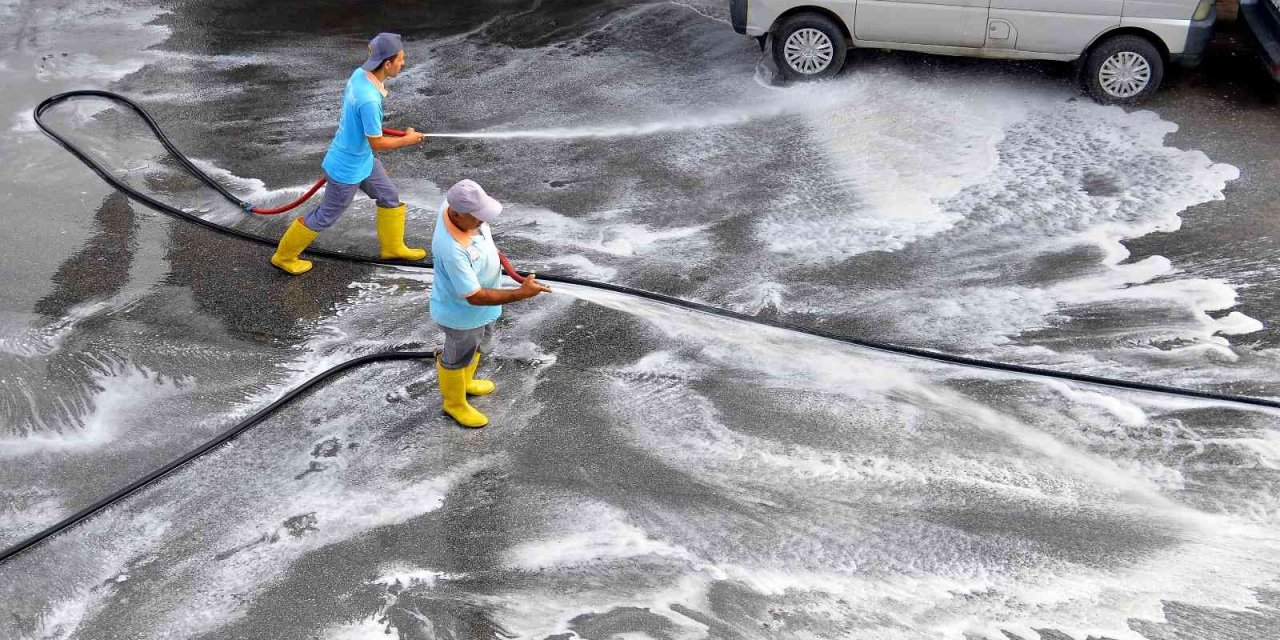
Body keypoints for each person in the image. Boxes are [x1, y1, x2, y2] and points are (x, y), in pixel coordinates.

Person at [270, 32, 428, 275]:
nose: (403, 63)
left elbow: (365, 135)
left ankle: (393, 248)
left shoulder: (360, 76)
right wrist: (407, 140)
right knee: (325, 216)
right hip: (347, 167)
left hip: (361, 158)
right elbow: (376, 142)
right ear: (387, 63)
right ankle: (284, 256)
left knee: (388, 196)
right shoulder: (369, 100)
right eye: (401, 59)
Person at [431, 179, 551, 428]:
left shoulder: (453, 208)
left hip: (484, 310)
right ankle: (453, 403)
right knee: (457, 357)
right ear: (457, 213)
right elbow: (474, 296)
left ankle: (466, 382)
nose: (482, 222)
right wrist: (520, 294)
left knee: (481, 345)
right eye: (477, 217)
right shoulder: (452, 249)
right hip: (461, 316)